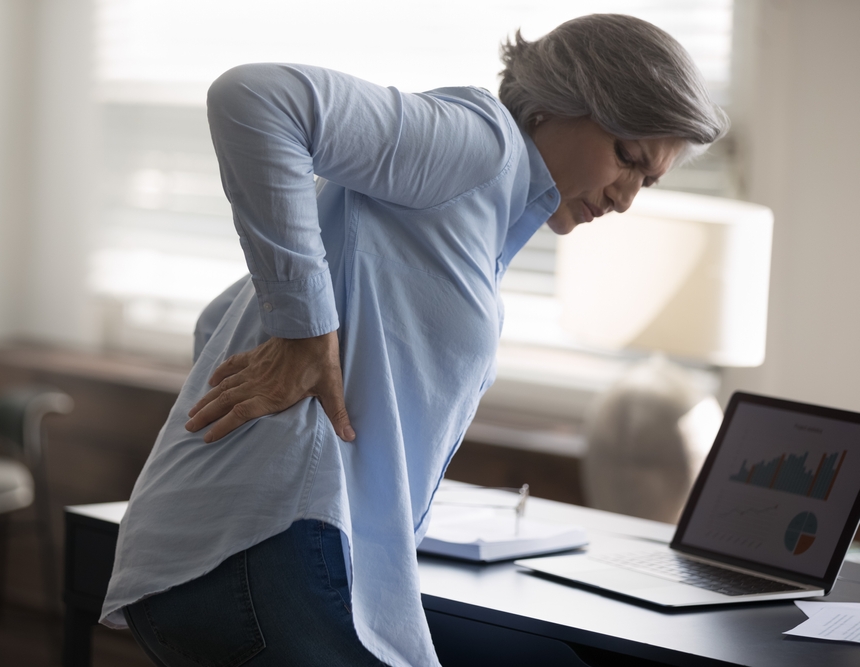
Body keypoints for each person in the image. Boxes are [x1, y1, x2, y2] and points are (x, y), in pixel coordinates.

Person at [100, 14, 728, 667]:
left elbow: (220, 317)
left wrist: (298, 341)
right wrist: (304, 330)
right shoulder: (479, 142)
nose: (627, 197)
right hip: (264, 555)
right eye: (628, 158)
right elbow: (252, 97)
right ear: (554, 105)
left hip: (197, 564)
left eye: (648, 181)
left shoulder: (477, 222)